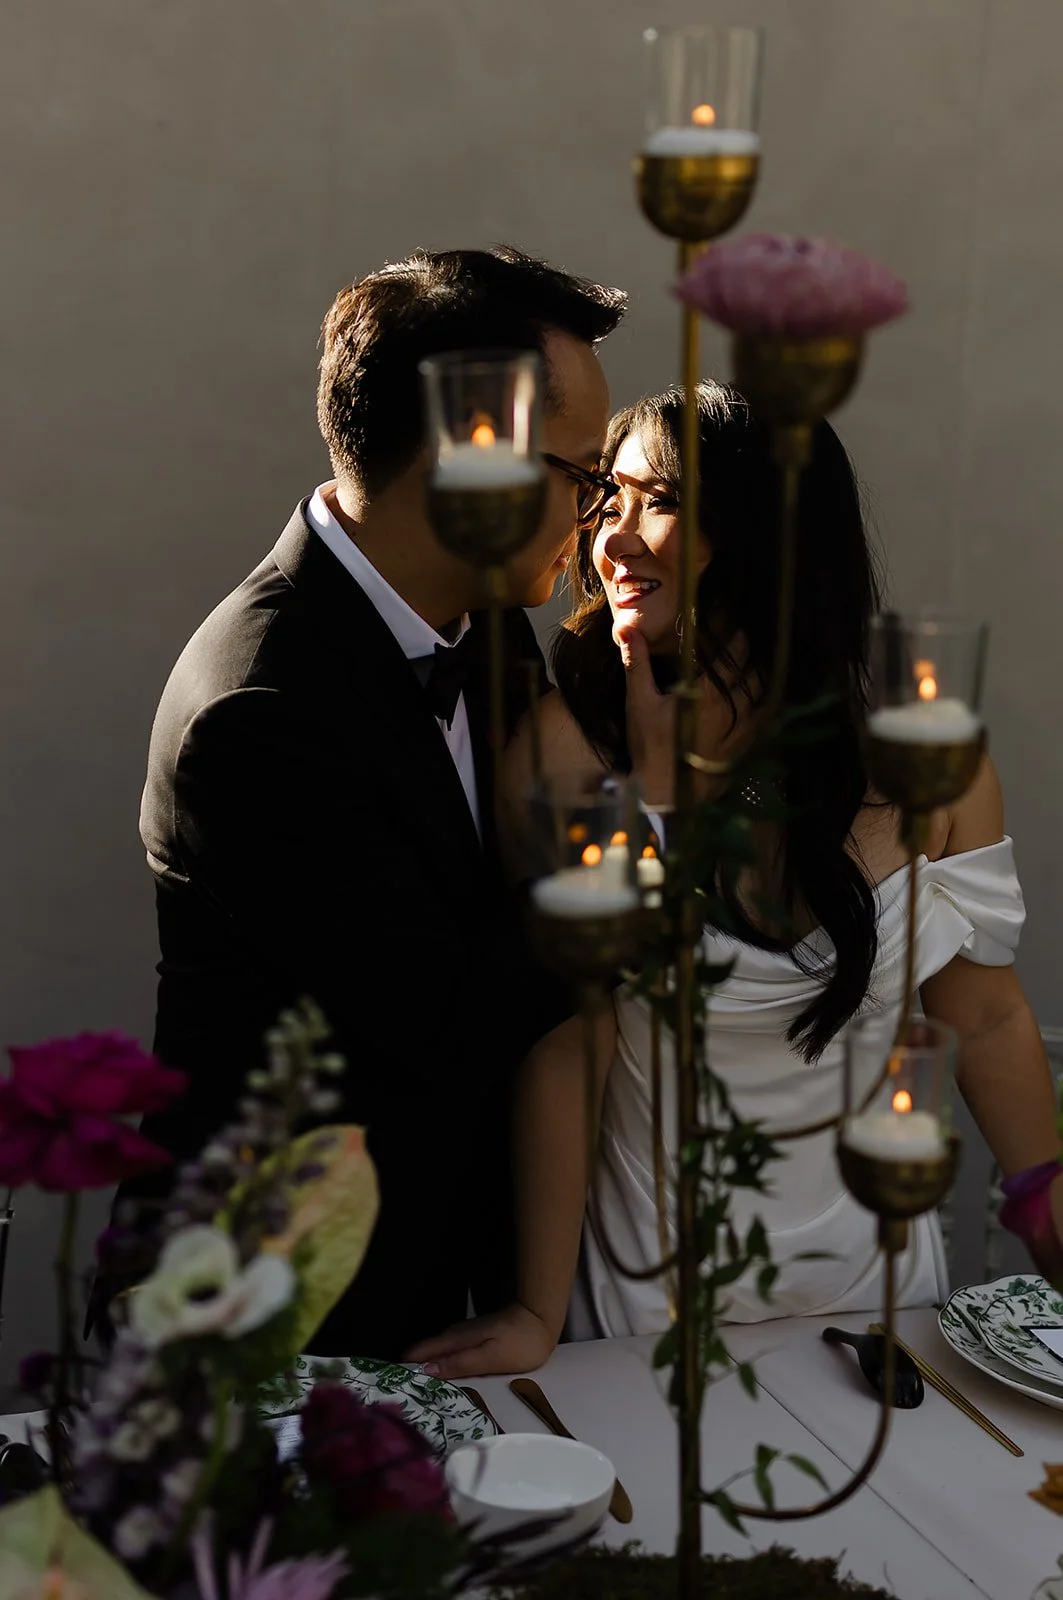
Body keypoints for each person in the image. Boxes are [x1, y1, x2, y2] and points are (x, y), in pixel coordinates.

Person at [410, 380, 1063, 1378]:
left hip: (876, 1303)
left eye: (659, 502)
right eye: (606, 503)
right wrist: (535, 1311)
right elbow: (561, 1041)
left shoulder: (926, 758)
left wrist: (1042, 1188)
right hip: (644, 1304)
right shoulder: (567, 758)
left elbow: (979, 1012)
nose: (614, 540)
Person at [116, 246, 625, 1359]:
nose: (592, 521)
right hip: (289, 1323)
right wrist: (634, 859)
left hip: (460, 1296)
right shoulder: (258, 711)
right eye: (583, 479)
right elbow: (442, 1025)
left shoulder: (488, 620)